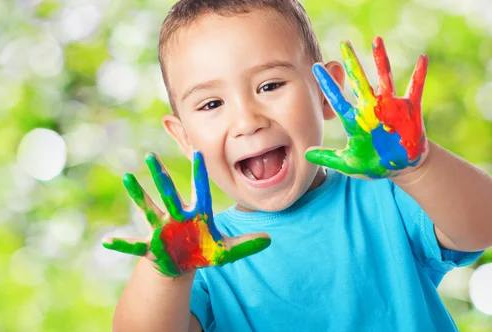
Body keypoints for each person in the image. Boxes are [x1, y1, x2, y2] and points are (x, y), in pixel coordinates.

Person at [102, 0, 492, 331]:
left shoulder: (389, 197)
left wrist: (419, 167)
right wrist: (164, 273)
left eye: (270, 86)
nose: (247, 120)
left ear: (327, 92)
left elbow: (482, 225)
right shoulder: (205, 259)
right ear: (184, 136)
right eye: (211, 104)